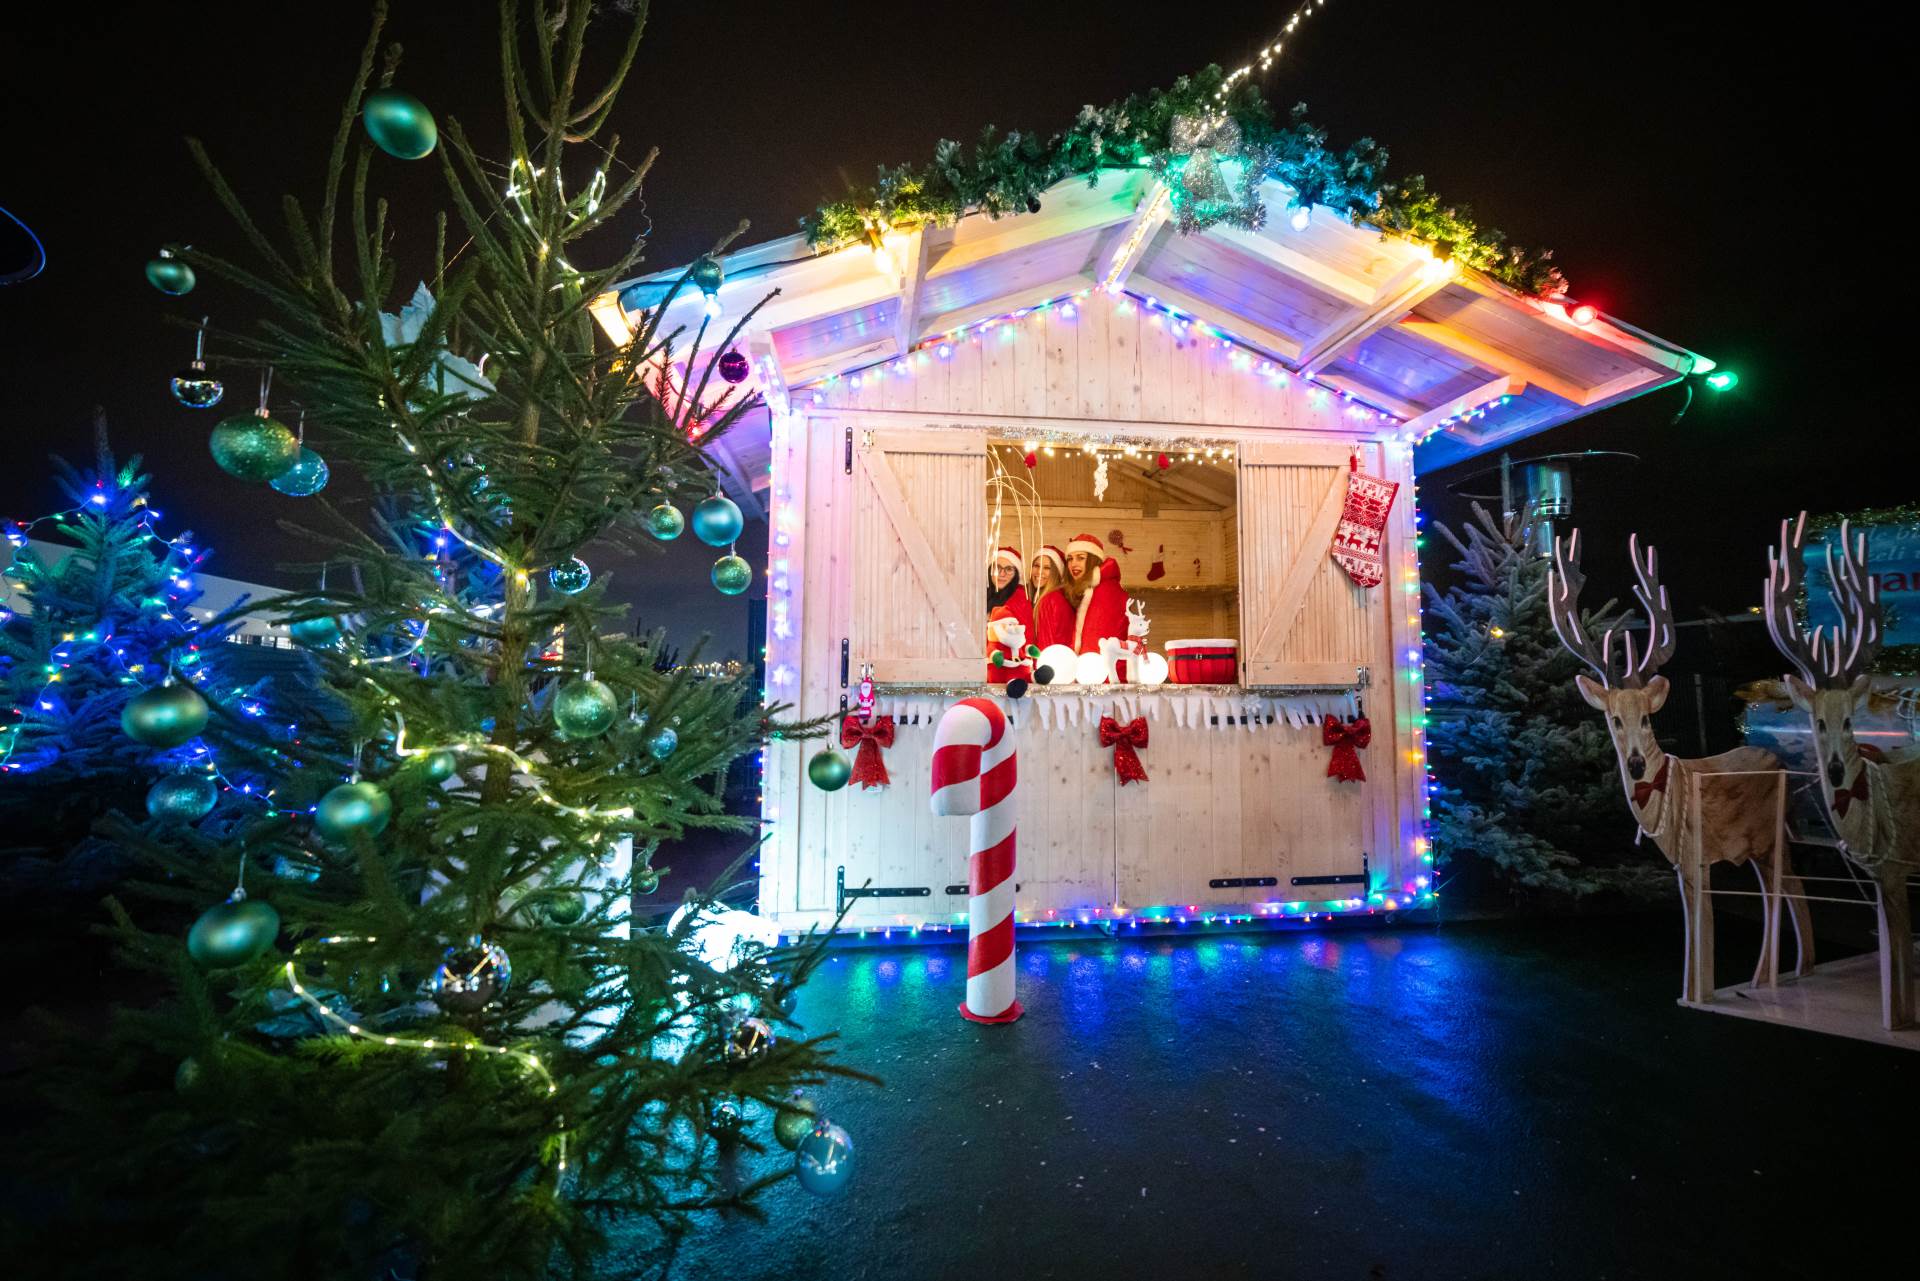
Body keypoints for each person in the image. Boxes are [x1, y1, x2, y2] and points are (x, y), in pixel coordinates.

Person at [1065, 532, 1128, 655]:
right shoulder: (1093, 587)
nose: (1073, 564)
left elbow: (1094, 643)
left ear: (1093, 560)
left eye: (1081, 558)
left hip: (1098, 670)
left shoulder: (1104, 591)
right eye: (1070, 559)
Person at [1029, 544, 1075, 651]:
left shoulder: (1050, 600)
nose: (1039, 572)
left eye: (1047, 568)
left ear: (1056, 573)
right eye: (1036, 565)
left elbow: (1045, 645)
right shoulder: (1058, 596)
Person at [987, 546, 1033, 635]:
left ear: (1016, 574)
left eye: (1008, 569)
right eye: (997, 567)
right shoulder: (984, 593)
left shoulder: (1020, 598)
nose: (1002, 574)